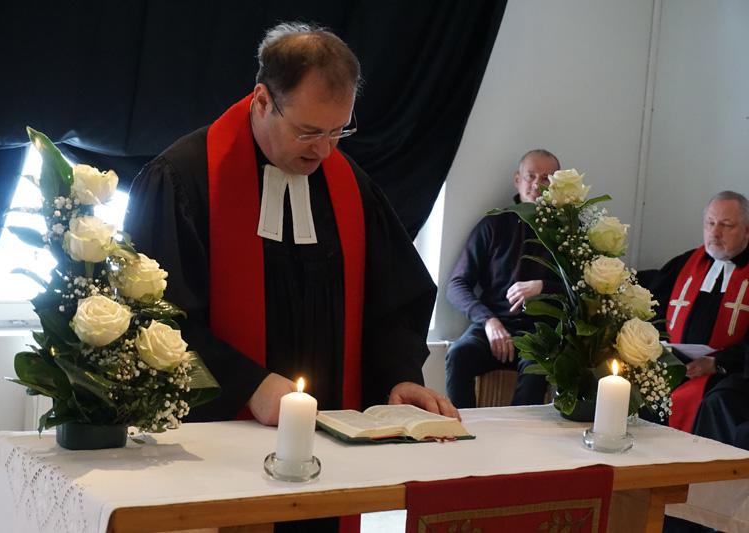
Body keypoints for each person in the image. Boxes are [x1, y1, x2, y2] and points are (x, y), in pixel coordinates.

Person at [124, 22, 458, 428]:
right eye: (308, 132)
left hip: (332, 427)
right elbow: (157, 317)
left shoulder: (350, 186)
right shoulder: (183, 180)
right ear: (263, 101)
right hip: (220, 432)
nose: (324, 151)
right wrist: (247, 385)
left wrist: (399, 376)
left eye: (338, 131)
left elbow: (391, 303)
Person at [444, 149, 562, 408]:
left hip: (540, 331)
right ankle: (460, 426)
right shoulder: (494, 224)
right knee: (458, 354)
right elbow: (456, 285)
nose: (537, 185)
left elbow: (582, 290)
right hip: (493, 324)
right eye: (531, 176)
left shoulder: (567, 231)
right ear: (517, 179)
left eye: (546, 178)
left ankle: (518, 433)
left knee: (536, 370)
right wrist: (488, 321)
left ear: (558, 184)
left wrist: (542, 287)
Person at [642, 191, 749, 436]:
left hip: (730, 371)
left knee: (718, 402)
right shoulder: (685, 263)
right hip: (678, 362)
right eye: (710, 223)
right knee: (638, 385)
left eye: (726, 225)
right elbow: (652, 311)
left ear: (747, 231)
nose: (715, 233)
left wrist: (718, 363)